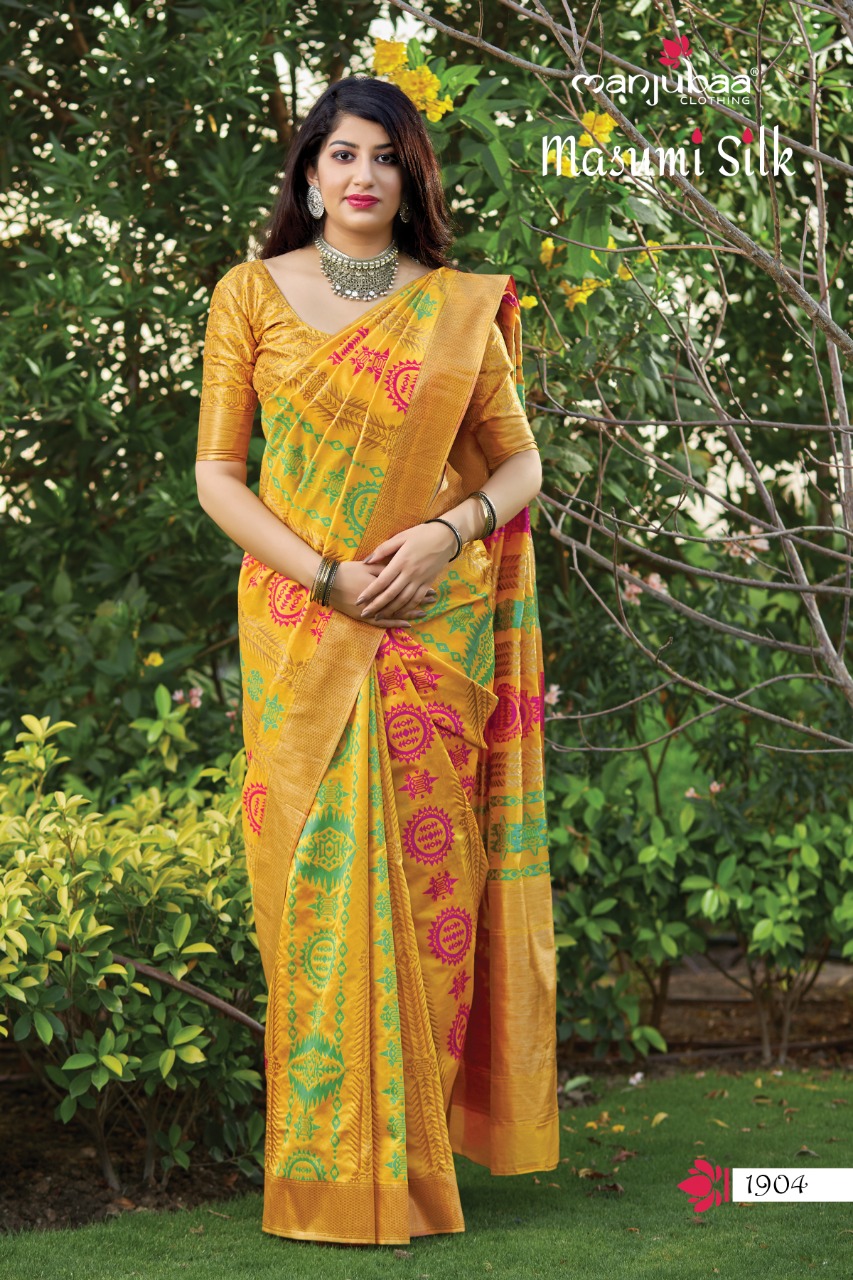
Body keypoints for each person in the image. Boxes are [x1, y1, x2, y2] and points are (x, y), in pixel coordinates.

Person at [195, 73, 558, 1247]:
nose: (363, 174)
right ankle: (323, 1178)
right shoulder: (250, 294)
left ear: (412, 180)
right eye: (343, 153)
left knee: (426, 895)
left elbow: (518, 462)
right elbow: (216, 474)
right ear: (309, 171)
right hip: (302, 633)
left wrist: (450, 531)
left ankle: (408, 1173)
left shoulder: (454, 308)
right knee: (309, 895)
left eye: (386, 157)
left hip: (427, 634)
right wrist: (325, 575)